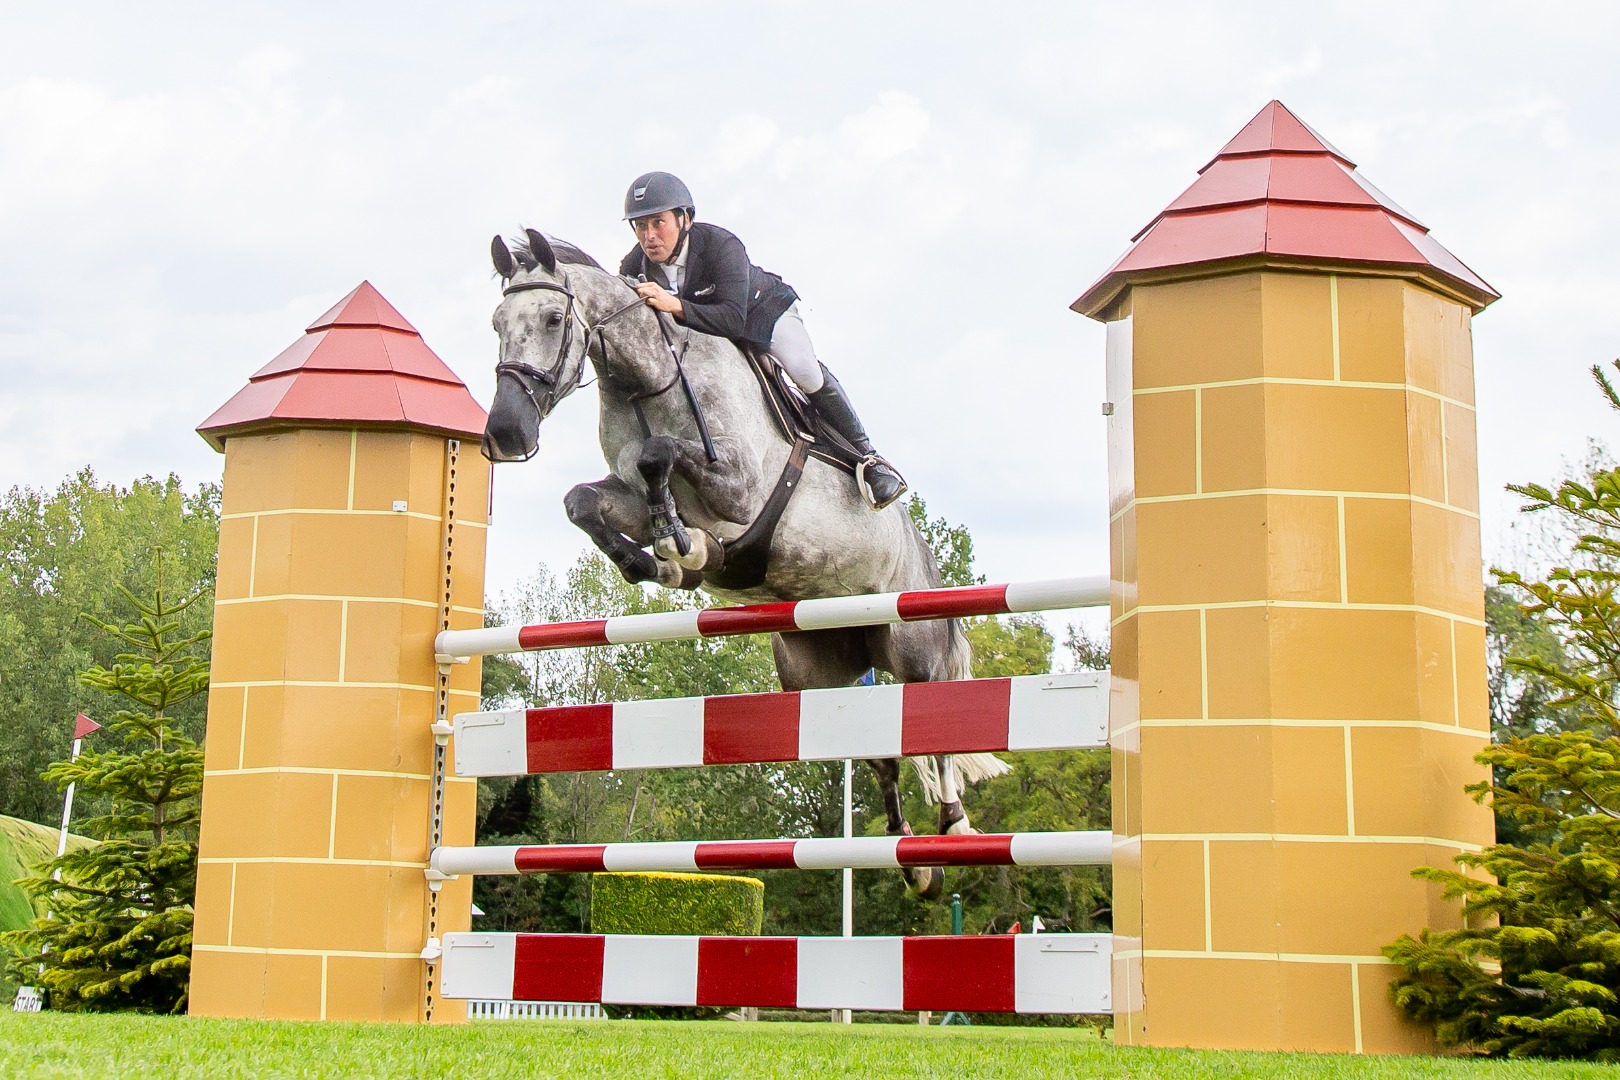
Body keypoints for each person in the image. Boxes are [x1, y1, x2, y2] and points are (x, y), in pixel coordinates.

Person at [618, 171, 906, 511]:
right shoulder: (633, 265)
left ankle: (870, 459)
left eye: (657, 222)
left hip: (761, 316)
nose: (648, 236)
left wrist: (675, 305)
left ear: (684, 219)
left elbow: (732, 319)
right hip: (702, 339)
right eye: (639, 226)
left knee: (803, 369)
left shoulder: (721, 246)